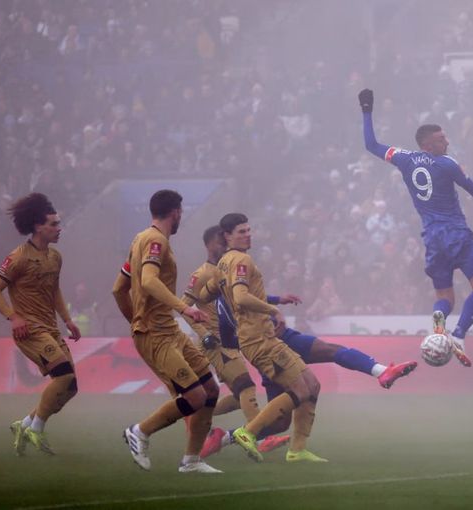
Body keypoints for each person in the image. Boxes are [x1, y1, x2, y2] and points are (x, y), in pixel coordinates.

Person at [358, 89, 473, 367]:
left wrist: (367, 110)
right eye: (440, 139)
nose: (446, 142)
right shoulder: (447, 164)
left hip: (432, 239)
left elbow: (371, 144)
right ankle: (458, 335)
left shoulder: (404, 158)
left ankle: (438, 330)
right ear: (427, 145)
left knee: (444, 296)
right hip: (456, 233)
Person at [201, 292, 417, 458]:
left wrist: (277, 301)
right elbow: (238, 309)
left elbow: (248, 300)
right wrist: (259, 331)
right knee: (287, 413)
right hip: (271, 347)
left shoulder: (229, 283)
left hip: (276, 342)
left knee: (283, 420)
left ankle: (225, 438)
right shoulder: (230, 277)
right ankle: (233, 435)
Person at [111, 189, 221, 474]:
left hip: (169, 331)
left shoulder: (140, 240)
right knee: (195, 397)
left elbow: (119, 288)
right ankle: (139, 431)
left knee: (211, 389)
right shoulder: (156, 241)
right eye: (181, 212)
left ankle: (191, 460)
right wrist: (183, 309)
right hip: (157, 335)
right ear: (175, 212)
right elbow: (148, 281)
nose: (181, 216)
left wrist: (135, 319)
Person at [202, 213, 325, 463]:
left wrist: (218, 300)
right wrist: (273, 310)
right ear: (227, 236)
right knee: (301, 390)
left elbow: (205, 294)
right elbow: (240, 297)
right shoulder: (241, 260)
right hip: (258, 339)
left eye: (249, 230)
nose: (248, 235)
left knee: (313, 385)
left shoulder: (222, 264)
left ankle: (297, 449)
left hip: (261, 337)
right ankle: (248, 432)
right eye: (241, 232)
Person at [180, 225, 295, 456]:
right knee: (246, 386)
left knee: (237, 396)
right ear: (208, 245)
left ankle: (195, 413)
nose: (224, 245)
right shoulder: (201, 274)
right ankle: (261, 439)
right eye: (219, 241)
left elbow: (243, 296)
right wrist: (204, 333)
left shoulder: (225, 270)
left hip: (230, 340)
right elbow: (183, 307)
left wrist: (277, 299)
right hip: (214, 342)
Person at [0, 193, 81, 456]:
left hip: (51, 329)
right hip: (29, 330)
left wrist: (67, 319)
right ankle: (36, 429)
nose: (59, 228)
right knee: (63, 376)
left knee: (71, 388)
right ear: (38, 226)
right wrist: (13, 317)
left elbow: (54, 290)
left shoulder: (55, 257)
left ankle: (25, 424)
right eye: (54, 224)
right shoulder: (18, 257)